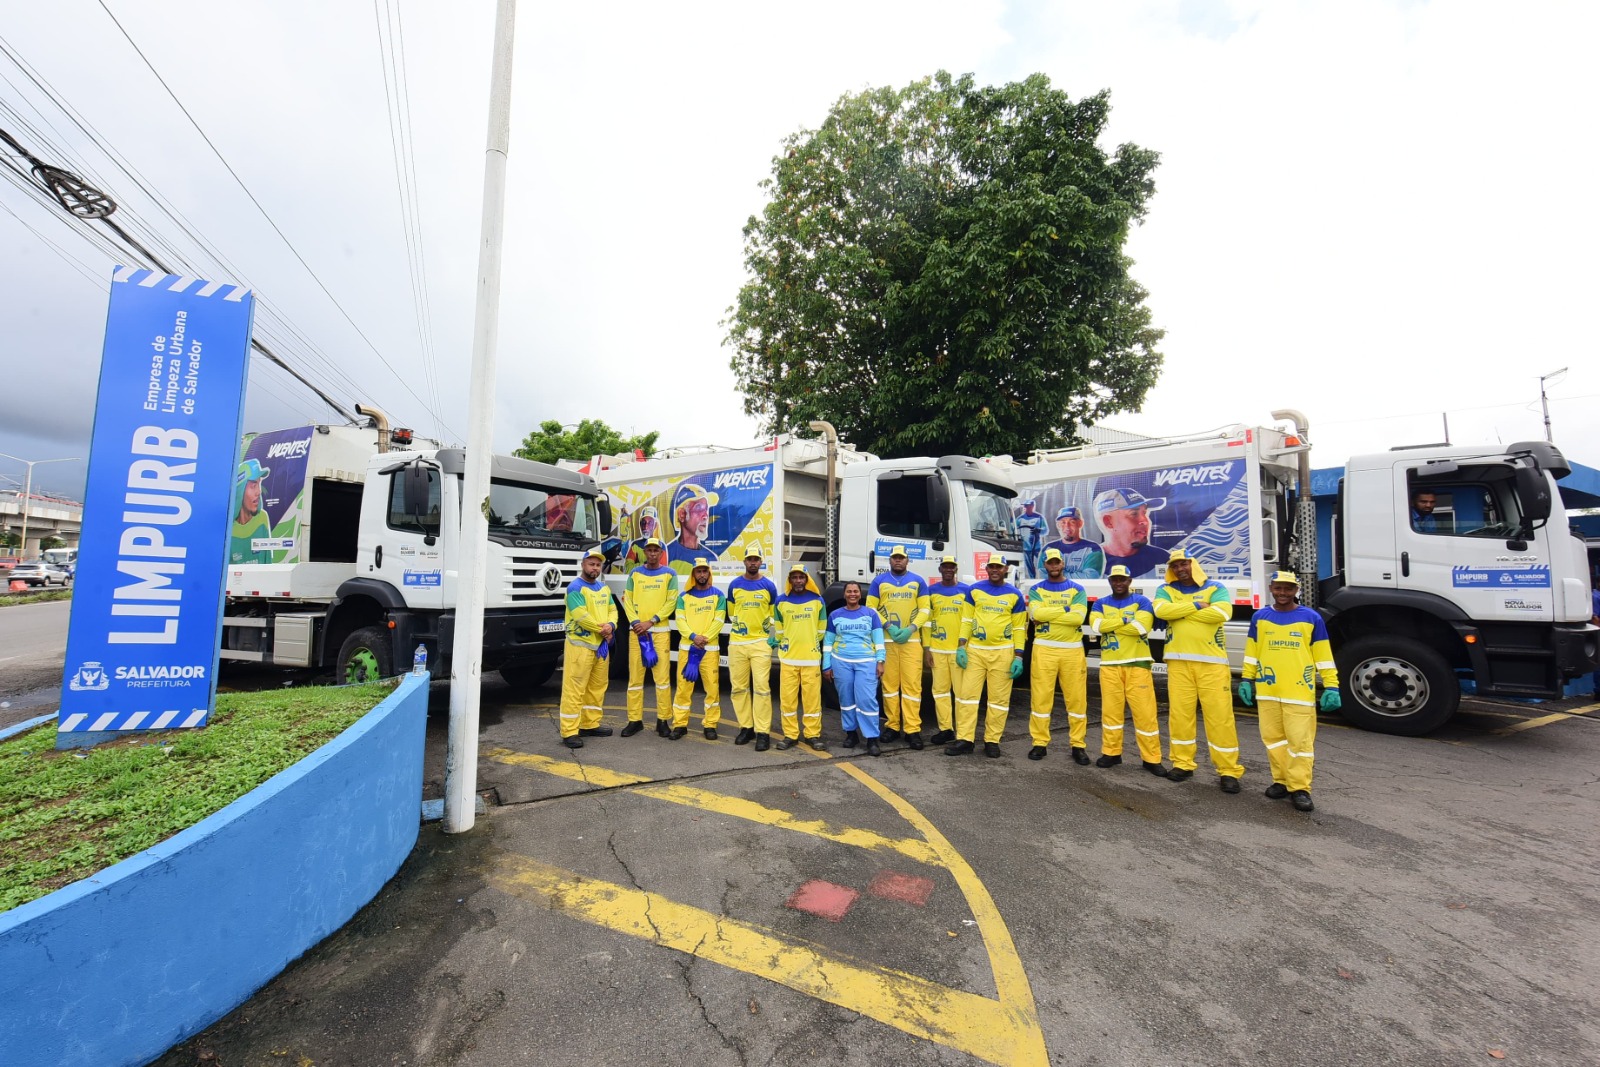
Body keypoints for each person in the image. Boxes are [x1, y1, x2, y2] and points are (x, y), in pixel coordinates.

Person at [1238, 571, 1340, 812]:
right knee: (1273, 741)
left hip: (1299, 693)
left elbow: (1323, 656)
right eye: (1278, 588)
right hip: (1268, 692)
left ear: (1297, 590)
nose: (1283, 593)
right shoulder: (1260, 617)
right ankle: (1281, 780)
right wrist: (1246, 679)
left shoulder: (1311, 618)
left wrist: (1332, 685)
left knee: (1300, 743)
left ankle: (1300, 788)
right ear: (1271, 588)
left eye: (1288, 589)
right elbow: (1252, 652)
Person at [1153, 548, 1243, 792]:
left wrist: (1180, 614)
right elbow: (1161, 611)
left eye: (1184, 564)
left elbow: (1223, 613)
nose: (1180, 569)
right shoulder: (1166, 590)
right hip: (1178, 662)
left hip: (1212, 663)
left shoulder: (1215, 588)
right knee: (1180, 716)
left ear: (1194, 564)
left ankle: (1228, 771)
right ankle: (1182, 764)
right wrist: (1198, 606)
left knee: (1220, 718)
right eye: (1175, 566)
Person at [1088, 565, 1167, 776]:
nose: (1118, 583)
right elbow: (1095, 627)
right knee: (1111, 714)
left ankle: (1151, 759)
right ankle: (1111, 753)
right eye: (1115, 579)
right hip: (1110, 666)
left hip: (1137, 665)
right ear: (1110, 581)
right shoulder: (1100, 603)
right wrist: (1125, 620)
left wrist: (1110, 624)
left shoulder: (1142, 601)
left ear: (1129, 581)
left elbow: (1141, 628)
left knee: (1145, 715)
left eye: (1122, 579)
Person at [947, 555, 1026, 758]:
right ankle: (965, 739)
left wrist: (1019, 656)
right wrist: (961, 646)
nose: (994, 570)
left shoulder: (1015, 595)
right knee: (967, 697)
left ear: (1005, 569)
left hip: (1003, 653)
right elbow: (966, 620)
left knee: (998, 700)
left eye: (998, 566)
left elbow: (1019, 628)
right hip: (975, 651)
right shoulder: (974, 591)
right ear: (987, 568)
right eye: (991, 566)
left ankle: (992, 740)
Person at [1026, 547, 1090, 763]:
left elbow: (1078, 618)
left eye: (1057, 562)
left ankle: (1078, 745)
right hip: (1044, 649)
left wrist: (1048, 616)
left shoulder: (1077, 589)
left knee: (1076, 700)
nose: (1053, 566)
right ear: (1045, 565)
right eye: (1049, 563)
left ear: (1062, 564)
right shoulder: (1036, 589)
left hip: (1072, 651)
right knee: (1041, 698)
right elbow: (1036, 613)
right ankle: (1039, 742)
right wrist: (1065, 610)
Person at [867, 545, 931, 748]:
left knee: (912, 687)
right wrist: (888, 627)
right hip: (887, 641)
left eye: (901, 558)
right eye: (894, 557)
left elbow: (925, 610)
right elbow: (870, 608)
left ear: (907, 560)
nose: (898, 561)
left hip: (911, 642)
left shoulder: (918, 581)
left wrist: (911, 629)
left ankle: (912, 730)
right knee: (889, 687)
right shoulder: (879, 581)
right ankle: (893, 726)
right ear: (889, 560)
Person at [558, 547, 617, 749]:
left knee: (597, 687)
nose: (595, 568)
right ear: (583, 565)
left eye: (598, 564)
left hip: (600, 646)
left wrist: (612, 625)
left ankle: (590, 724)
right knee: (574, 689)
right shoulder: (575, 588)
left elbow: (612, 609)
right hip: (580, 646)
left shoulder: (603, 588)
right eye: (591, 564)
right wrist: (605, 630)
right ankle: (569, 731)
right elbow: (581, 617)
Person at [621, 537, 678, 737]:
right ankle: (634, 720)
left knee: (662, 680)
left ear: (661, 553)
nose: (653, 553)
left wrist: (651, 621)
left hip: (659, 632)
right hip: (637, 633)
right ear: (645, 552)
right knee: (635, 679)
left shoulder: (670, 574)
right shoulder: (635, 573)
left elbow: (671, 602)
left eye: (656, 550)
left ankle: (663, 720)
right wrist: (636, 623)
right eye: (649, 550)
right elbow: (627, 600)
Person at [824, 581, 886, 755]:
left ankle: (872, 738)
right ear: (844, 594)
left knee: (867, 700)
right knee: (846, 700)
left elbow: (878, 640)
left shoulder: (870, 614)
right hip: (840, 661)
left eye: (855, 591)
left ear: (860, 594)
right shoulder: (835, 615)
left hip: (867, 662)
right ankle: (851, 734)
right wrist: (826, 665)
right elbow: (828, 642)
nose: (852, 594)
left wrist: (880, 661)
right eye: (849, 591)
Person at [726, 542, 778, 751]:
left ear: (761, 562)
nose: (753, 563)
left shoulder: (769, 586)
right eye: (750, 559)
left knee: (762, 688)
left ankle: (762, 732)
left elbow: (773, 614)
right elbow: (731, 612)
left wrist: (768, 633)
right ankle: (746, 727)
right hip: (738, 643)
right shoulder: (734, 585)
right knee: (738, 688)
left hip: (760, 644)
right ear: (745, 561)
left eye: (756, 559)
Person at [772, 564, 828, 750]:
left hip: (811, 660)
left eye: (801, 577)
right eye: (794, 577)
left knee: (812, 700)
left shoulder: (818, 601)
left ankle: (812, 735)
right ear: (790, 580)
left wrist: (809, 643)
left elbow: (821, 630)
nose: (798, 581)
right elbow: (779, 630)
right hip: (788, 660)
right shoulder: (781, 601)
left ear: (807, 579)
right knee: (787, 700)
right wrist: (779, 642)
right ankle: (790, 735)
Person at [671, 558, 726, 740]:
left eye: (705, 571)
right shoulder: (684, 596)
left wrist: (705, 638)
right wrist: (694, 637)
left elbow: (719, 621)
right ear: (693, 574)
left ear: (709, 573)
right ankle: (680, 724)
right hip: (688, 649)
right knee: (683, 688)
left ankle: (710, 725)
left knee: (712, 689)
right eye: (698, 571)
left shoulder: (718, 595)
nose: (702, 575)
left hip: (709, 650)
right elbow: (680, 621)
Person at [922, 555, 968, 747]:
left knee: (961, 693)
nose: (948, 570)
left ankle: (963, 732)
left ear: (955, 569)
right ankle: (946, 729)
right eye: (945, 567)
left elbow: (969, 621)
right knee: (940, 692)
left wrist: (965, 647)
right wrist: (926, 648)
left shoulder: (967, 591)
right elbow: (926, 622)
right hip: (937, 650)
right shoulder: (931, 591)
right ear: (940, 569)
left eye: (952, 567)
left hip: (958, 651)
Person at [1093, 488, 1169, 578]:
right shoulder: (1090, 562)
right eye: (1134, 514)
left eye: (1144, 513)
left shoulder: (1162, 558)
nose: (1145, 521)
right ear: (1108, 522)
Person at [666, 482, 720, 573]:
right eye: (698, 508)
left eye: (706, 508)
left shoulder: (712, 558)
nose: (706, 516)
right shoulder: (667, 554)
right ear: (682, 515)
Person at [231, 458, 273, 564]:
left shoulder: (262, 518)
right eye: (253, 486)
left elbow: (268, 562)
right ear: (240, 490)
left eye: (259, 484)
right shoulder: (227, 527)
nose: (259, 491)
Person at [1044, 506, 1104, 580]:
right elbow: (1043, 576)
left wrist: (1056, 574)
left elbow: (1090, 577)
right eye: (1063, 522)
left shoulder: (1093, 549)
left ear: (1080, 524)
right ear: (1058, 525)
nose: (1067, 526)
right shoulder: (1048, 549)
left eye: (1072, 522)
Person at [1016, 499, 1046, 579]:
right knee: (1029, 567)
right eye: (1025, 506)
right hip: (1026, 547)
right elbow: (1014, 530)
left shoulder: (1039, 517)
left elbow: (1045, 530)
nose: (1026, 507)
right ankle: (1031, 580)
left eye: (1028, 506)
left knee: (1039, 565)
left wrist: (1039, 530)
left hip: (1036, 546)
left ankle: (1042, 579)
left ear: (1032, 506)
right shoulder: (1019, 519)